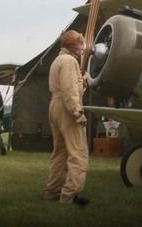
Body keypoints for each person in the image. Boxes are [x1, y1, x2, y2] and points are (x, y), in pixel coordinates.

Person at [43, 30, 90, 206]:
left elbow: (71, 86)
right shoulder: (70, 61)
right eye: (81, 44)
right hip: (66, 107)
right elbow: (70, 90)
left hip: (55, 105)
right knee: (78, 153)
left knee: (60, 153)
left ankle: (52, 191)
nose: (83, 47)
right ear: (73, 45)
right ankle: (69, 196)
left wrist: (82, 79)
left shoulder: (58, 60)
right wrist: (78, 113)